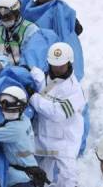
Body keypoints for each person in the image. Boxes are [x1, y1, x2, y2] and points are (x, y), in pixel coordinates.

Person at [28, 42, 86, 187]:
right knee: (40, 178)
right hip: (43, 139)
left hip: (64, 142)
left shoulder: (75, 91)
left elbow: (57, 113)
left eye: (61, 65)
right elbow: (39, 78)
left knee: (68, 180)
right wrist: (28, 69)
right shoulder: (49, 79)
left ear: (69, 62)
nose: (57, 68)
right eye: (54, 64)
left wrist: (34, 98)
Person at [0, 86, 49, 187]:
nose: (4, 111)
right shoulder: (24, 119)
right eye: (2, 105)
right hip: (30, 174)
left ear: (20, 107)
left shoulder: (14, 130)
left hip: (21, 181)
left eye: (8, 107)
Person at [0, 0, 40, 65]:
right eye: (0, 16)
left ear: (16, 13)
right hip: (0, 72)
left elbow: (31, 58)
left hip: (19, 72)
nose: (4, 18)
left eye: (7, 15)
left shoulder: (31, 29)